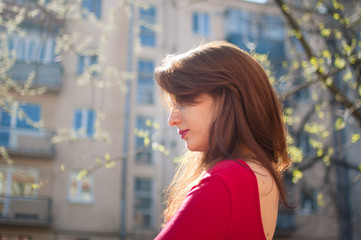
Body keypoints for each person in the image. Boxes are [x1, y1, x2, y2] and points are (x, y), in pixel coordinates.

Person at [154, 41, 292, 240]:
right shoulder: (258, 175)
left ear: (228, 98)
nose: (172, 120)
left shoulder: (226, 179)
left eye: (184, 100)